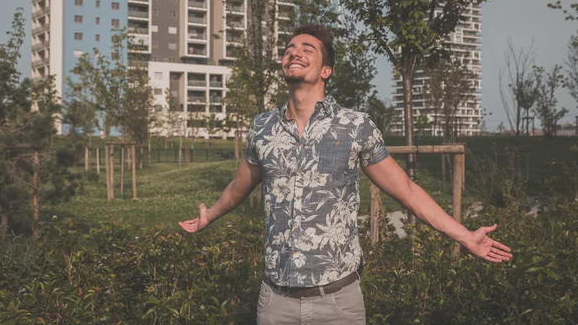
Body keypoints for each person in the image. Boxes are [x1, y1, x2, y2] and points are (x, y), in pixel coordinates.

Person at [179, 24, 512, 324]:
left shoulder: (355, 126)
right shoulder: (263, 126)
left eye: (307, 48)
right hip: (275, 302)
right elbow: (239, 187)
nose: (294, 51)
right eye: (289, 48)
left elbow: (407, 191)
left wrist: (465, 235)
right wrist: (210, 215)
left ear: (326, 70)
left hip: (337, 305)